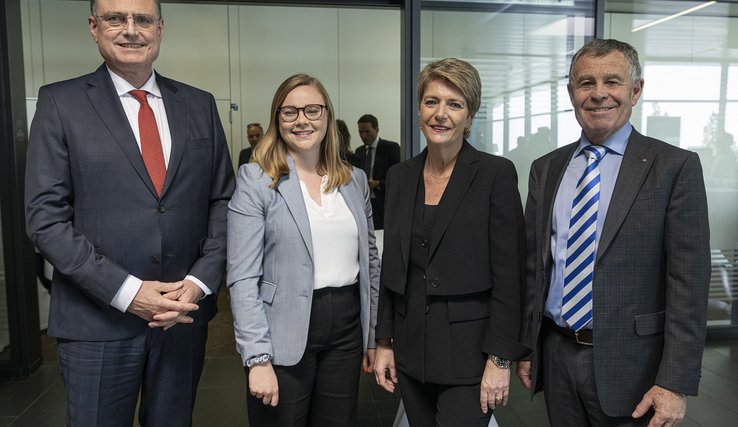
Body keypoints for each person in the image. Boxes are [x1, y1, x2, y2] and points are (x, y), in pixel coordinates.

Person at [24, 0, 235, 425]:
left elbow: (224, 202)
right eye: (115, 18)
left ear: (160, 28)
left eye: (142, 19)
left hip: (180, 318)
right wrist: (128, 292)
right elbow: (45, 218)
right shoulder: (60, 103)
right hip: (96, 321)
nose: (130, 30)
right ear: (93, 27)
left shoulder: (199, 104)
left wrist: (198, 282)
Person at [517, 39, 711, 426]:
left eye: (612, 81)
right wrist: (527, 347)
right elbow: (534, 269)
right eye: (586, 82)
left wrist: (674, 382)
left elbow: (688, 284)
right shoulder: (546, 169)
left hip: (634, 367)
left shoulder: (674, 167)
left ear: (636, 90)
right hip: (556, 354)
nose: (599, 93)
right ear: (571, 93)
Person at [373, 58, 529, 426]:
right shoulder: (400, 176)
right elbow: (392, 269)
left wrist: (500, 358)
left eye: (454, 104)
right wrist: (383, 342)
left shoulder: (495, 174)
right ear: (419, 110)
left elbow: (510, 277)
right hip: (411, 352)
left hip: (470, 356)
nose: (441, 114)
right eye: (431, 101)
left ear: (470, 116)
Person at [227, 73, 380, 426]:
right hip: (282, 328)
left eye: (312, 110)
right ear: (276, 119)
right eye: (290, 112)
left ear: (327, 115)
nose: (302, 121)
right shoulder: (257, 179)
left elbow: (370, 262)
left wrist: (372, 336)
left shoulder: (353, 179)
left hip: (345, 326)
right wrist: (257, 358)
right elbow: (242, 277)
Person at [355, 114, 401, 230]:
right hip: (364, 202)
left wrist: (378, 184)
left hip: (382, 202)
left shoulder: (390, 148)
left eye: (367, 131)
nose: (363, 136)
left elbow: (398, 179)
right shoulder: (359, 151)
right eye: (360, 132)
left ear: (377, 130)